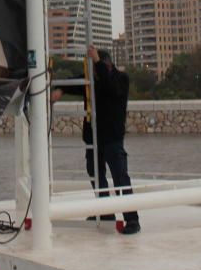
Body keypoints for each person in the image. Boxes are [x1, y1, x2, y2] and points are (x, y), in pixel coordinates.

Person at [52, 45, 140, 235]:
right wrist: (59, 89)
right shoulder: (93, 80)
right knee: (95, 174)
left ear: (106, 65)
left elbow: (111, 87)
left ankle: (132, 219)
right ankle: (105, 212)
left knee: (120, 177)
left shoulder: (120, 79)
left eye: (96, 69)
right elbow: (74, 81)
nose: (93, 75)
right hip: (94, 138)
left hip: (113, 139)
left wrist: (97, 62)